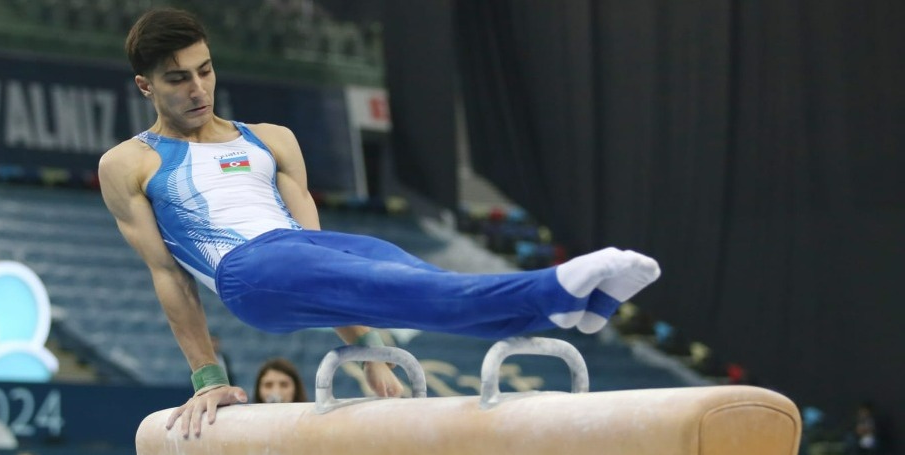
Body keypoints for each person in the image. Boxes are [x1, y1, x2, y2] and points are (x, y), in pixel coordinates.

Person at [99, 8, 661, 438]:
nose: (198, 89)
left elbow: (319, 258)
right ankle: (553, 291)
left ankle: (570, 305)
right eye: (177, 79)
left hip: (297, 256)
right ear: (146, 86)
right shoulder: (130, 164)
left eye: (205, 70)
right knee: (407, 286)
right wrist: (209, 378)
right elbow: (168, 275)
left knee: (413, 279)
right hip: (247, 274)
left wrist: (367, 349)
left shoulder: (271, 140)